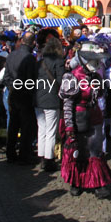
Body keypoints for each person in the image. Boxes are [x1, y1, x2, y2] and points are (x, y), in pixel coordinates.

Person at [59, 41, 111, 198]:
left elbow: (99, 95)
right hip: (78, 120)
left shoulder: (96, 76)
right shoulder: (71, 77)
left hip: (94, 119)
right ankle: (77, 182)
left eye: (98, 61)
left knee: (95, 151)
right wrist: (69, 128)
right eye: (93, 60)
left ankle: (98, 184)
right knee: (79, 152)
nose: (97, 64)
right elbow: (67, 105)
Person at [2, 32, 38, 164]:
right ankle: (24, 155)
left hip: (13, 93)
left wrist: (12, 87)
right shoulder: (29, 58)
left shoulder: (11, 55)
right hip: (24, 95)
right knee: (26, 126)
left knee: (13, 124)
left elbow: (6, 77)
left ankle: (10, 153)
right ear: (33, 43)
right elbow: (31, 80)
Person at [35, 37, 65, 172]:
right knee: (51, 131)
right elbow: (61, 80)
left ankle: (41, 156)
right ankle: (49, 160)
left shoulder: (39, 62)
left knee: (41, 130)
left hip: (38, 99)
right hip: (52, 99)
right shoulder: (59, 62)